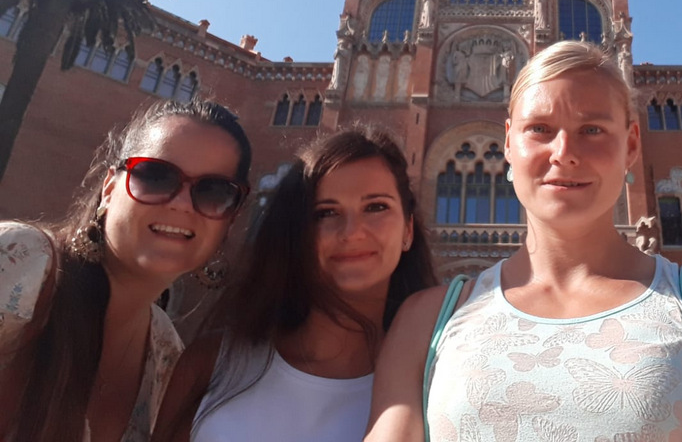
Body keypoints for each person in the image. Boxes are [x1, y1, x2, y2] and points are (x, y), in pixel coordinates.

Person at [366, 41, 682, 442]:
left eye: (591, 129)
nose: (564, 152)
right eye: (539, 128)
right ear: (508, 145)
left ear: (631, 145)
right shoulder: (424, 321)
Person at [153, 127, 437, 442]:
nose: (352, 232)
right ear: (296, 231)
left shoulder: (440, 383)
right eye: (326, 213)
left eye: (376, 207)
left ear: (408, 229)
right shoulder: (211, 362)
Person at [0, 98, 252, 442]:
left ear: (230, 220)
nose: (181, 204)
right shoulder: (20, 261)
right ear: (109, 189)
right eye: (156, 176)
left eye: (214, 191)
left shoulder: (166, 355)